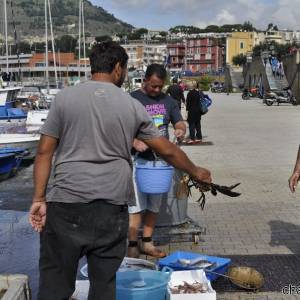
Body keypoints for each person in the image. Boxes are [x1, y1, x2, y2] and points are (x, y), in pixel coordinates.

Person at [29, 42, 212, 300]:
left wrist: (39, 199)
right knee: (104, 286)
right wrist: (196, 171)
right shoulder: (131, 105)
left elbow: (44, 152)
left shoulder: (64, 99)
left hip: (65, 206)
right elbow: (167, 150)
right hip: (110, 209)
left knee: (55, 288)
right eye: (124, 68)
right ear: (118, 68)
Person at [128, 64, 187, 259]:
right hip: (137, 161)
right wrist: (134, 141)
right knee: (135, 207)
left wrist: (180, 129)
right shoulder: (132, 99)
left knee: (154, 206)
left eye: (159, 86)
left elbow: (178, 121)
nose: (156, 90)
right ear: (144, 80)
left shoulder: (168, 101)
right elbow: (118, 128)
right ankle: (132, 244)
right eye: (152, 85)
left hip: (160, 164)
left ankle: (147, 243)